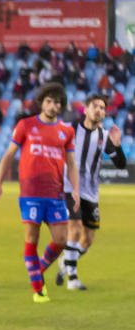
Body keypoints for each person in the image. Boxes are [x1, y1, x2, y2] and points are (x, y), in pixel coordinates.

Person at [0, 82, 81, 302]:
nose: (52, 106)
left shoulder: (66, 131)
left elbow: (71, 163)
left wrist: (75, 189)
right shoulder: (26, 125)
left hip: (56, 194)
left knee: (61, 240)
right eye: (49, 101)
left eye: (57, 102)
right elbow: (9, 155)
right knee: (32, 238)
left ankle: (36, 269)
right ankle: (39, 289)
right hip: (31, 193)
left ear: (61, 106)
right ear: (42, 102)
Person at [56, 93, 125, 290]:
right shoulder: (71, 129)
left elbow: (120, 164)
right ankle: (72, 278)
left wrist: (118, 145)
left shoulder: (104, 136)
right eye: (95, 106)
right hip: (70, 187)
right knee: (75, 229)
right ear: (86, 110)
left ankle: (65, 262)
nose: (99, 110)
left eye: (102, 108)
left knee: (87, 240)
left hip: (91, 193)